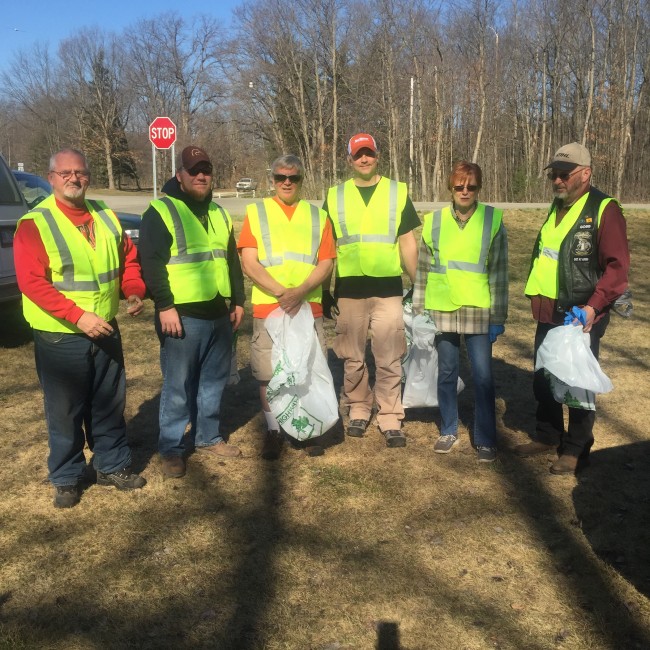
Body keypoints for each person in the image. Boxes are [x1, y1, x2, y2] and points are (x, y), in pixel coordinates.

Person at [14, 148, 147, 508]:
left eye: (81, 173)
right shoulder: (35, 224)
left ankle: (111, 465)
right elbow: (32, 283)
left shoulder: (104, 214)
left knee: (109, 402)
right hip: (61, 335)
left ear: (88, 176)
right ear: (52, 178)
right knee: (65, 409)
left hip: (105, 328)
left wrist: (133, 289)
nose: (74, 179)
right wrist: (78, 317)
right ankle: (67, 476)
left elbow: (128, 258)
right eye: (65, 173)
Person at [516, 142, 630, 475]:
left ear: (585, 173)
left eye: (564, 175)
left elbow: (617, 267)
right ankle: (548, 435)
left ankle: (578, 448)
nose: (557, 181)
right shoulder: (558, 206)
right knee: (544, 376)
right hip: (549, 309)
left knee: (577, 382)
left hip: (582, 313)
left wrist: (594, 307)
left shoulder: (605, 209)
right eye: (554, 174)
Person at [139, 146, 245, 479]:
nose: (201, 176)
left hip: (218, 313)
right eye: (194, 170)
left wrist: (239, 301)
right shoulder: (161, 211)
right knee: (178, 386)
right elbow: (151, 263)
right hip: (181, 316)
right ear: (180, 175)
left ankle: (207, 437)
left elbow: (231, 260)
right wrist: (165, 305)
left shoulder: (219, 212)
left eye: (206, 170)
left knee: (213, 382)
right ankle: (170, 448)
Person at [238, 154, 336, 459]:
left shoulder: (318, 216)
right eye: (280, 177)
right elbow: (249, 262)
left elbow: (326, 262)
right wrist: (282, 292)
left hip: (309, 308)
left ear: (302, 180)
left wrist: (302, 292)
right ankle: (273, 429)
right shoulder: (256, 213)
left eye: (293, 178)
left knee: (306, 369)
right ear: (272, 180)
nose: (286, 182)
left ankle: (310, 430)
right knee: (269, 373)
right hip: (270, 308)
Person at [324, 133, 419, 447]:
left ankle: (390, 415)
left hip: (388, 288)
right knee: (352, 357)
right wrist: (325, 290)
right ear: (349, 160)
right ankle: (359, 409)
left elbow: (407, 242)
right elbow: (328, 248)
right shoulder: (335, 195)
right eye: (358, 155)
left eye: (369, 154)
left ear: (377, 155)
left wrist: (419, 283)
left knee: (389, 355)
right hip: (349, 290)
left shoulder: (397, 192)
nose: (364, 159)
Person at [412, 161, 508, 462]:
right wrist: (419, 310)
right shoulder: (433, 221)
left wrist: (498, 317)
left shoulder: (492, 219)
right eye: (459, 186)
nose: (465, 191)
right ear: (450, 188)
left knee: (482, 377)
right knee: (447, 372)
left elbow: (499, 272)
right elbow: (424, 269)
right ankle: (449, 430)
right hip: (441, 309)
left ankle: (485, 438)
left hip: (478, 309)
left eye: (472, 186)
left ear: (479, 188)